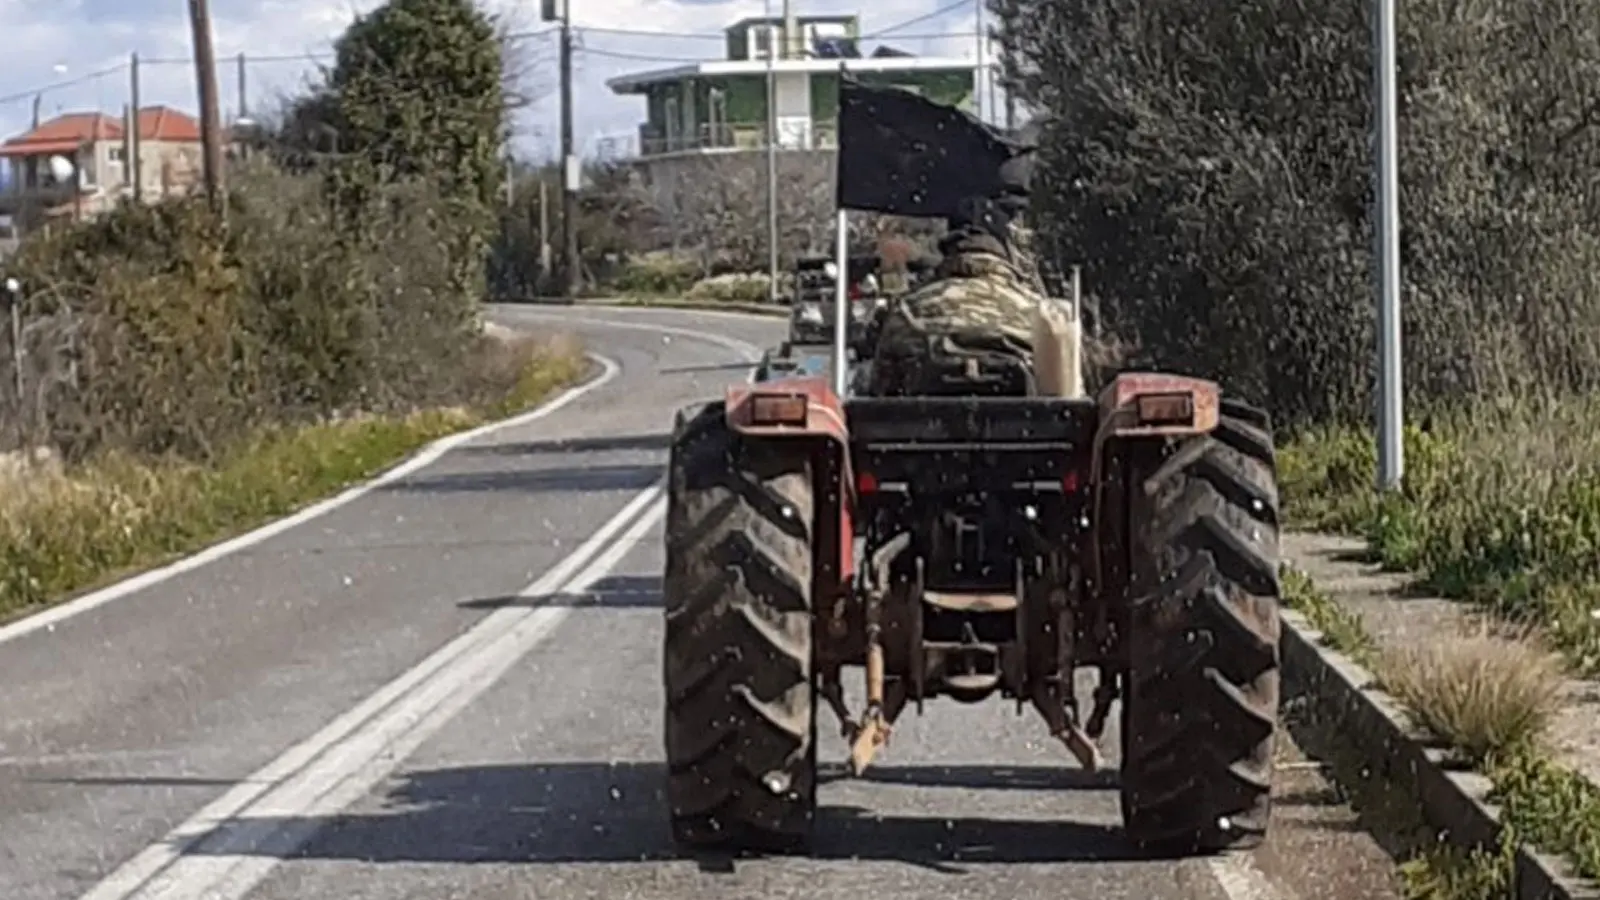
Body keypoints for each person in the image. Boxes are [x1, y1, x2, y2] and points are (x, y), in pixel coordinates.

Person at [865, 191, 1045, 396]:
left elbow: (880, 395)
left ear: (949, 247)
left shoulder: (908, 312)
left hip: (927, 415)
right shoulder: (1042, 316)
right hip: (1022, 415)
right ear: (1006, 251)